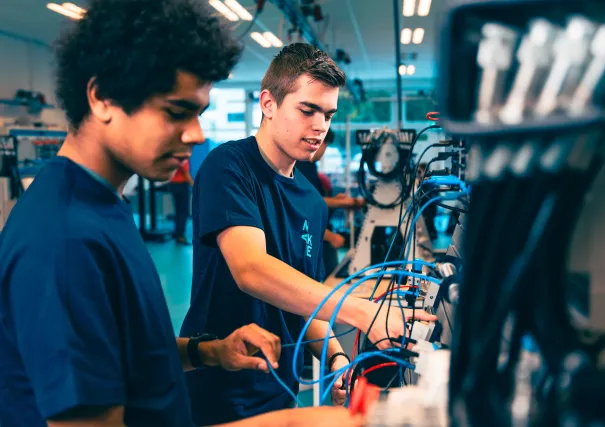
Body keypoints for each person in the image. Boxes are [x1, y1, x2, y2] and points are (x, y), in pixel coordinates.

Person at [0, 1, 361, 426]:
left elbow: (127, 350)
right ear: (101, 98)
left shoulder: (101, 208)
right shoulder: (65, 239)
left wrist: (208, 351)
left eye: (199, 113)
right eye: (176, 112)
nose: (197, 134)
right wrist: (290, 423)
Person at [180, 43, 435, 426]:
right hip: (218, 388)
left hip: (279, 390)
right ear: (268, 103)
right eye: (307, 110)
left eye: (328, 115)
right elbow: (251, 269)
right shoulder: (229, 167)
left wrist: (335, 356)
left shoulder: (312, 201)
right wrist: (364, 313)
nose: (320, 126)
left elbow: (303, 300)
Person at [295, 128, 365, 277]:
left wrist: (338, 201)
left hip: (319, 236)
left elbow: (315, 200)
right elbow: (305, 208)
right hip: (315, 238)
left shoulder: (308, 167)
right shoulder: (301, 167)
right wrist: (330, 236)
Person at [169, 160, 194, 245]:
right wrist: (194, 186)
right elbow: (186, 174)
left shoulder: (174, 158)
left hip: (173, 185)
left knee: (179, 211)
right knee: (184, 212)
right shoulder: (184, 159)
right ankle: (180, 236)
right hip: (181, 186)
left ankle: (177, 234)